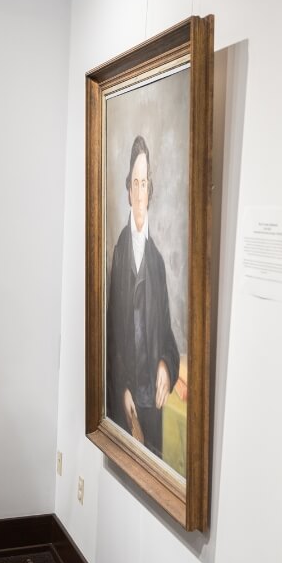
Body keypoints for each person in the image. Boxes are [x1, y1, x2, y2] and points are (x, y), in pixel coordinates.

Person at [106, 135, 180, 458]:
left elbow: (166, 335)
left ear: (150, 192)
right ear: (127, 191)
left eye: (144, 183)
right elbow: (110, 334)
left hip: (153, 405)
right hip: (127, 403)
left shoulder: (158, 263)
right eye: (134, 183)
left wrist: (166, 365)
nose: (139, 192)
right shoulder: (120, 253)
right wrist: (121, 387)